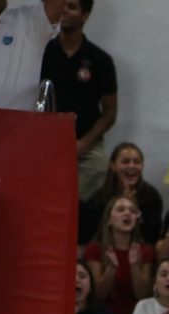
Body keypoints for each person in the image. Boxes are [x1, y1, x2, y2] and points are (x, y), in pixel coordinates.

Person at [40, 0, 116, 201]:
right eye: (62, 5)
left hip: (86, 147)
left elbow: (109, 113)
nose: (64, 10)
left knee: (99, 168)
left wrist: (83, 144)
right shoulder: (42, 53)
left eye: (72, 6)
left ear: (85, 15)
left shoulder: (101, 60)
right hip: (46, 143)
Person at [83, 194, 156, 314]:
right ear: (109, 220)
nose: (127, 213)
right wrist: (111, 268)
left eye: (132, 211)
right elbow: (98, 294)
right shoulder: (95, 249)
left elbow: (143, 296)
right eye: (120, 209)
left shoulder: (146, 250)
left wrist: (134, 265)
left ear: (137, 219)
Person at [82, 142, 164, 245]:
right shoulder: (98, 198)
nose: (131, 166)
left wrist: (133, 206)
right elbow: (91, 235)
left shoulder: (151, 197)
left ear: (142, 165)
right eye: (125, 162)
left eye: (136, 162)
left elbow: (152, 237)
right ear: (113, 166)